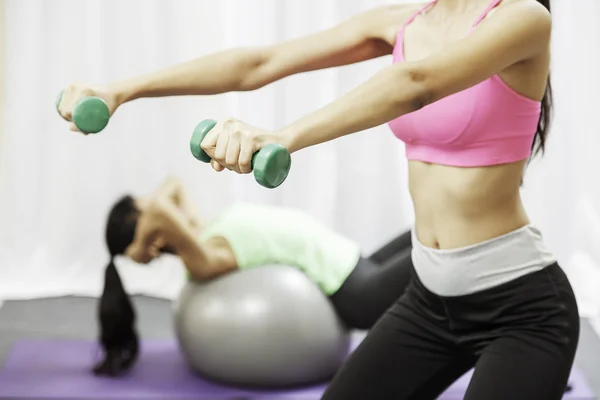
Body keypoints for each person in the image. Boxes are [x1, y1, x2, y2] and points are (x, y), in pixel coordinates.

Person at [58, 1, 579, 399]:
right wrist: (123, 90)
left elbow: (416, 83)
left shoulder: (524, 18)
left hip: (522, 309)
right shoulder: (406, 22)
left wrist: (282, 137)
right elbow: (262, 62)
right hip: (430, 299)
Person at [96, 176, 414, 377]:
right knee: (455, 242)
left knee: (440, 227)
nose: (157, 200)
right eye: (147, 204)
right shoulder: (202, 262)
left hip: (359, 264)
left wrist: (142, 243)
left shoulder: (202, 231)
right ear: (152, 232)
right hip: (357, 292)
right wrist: (141, 245)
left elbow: (173, 185)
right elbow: (161, 212)